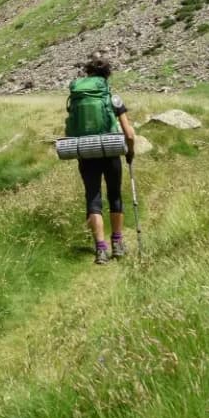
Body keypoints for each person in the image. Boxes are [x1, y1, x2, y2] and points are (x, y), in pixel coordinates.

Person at [67, 55, 136, 264]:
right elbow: (129, 134)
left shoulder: (78, 97)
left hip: (86, 153)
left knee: (93, 198)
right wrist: (130, 151)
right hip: (110, 150)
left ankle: (100, 249)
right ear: (107, 76)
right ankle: (117, 243)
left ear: (87, 75)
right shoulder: (112, 98)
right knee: (115, 195)